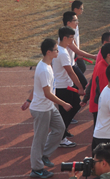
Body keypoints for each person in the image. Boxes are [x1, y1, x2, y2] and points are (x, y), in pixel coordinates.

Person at [22, 39, 69, 179]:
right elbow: (47, 94)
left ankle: (43, 156)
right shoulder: (44, 69)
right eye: (56, 49)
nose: (58, 51)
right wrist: (64, 103)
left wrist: (28, 100)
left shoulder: (48, 65)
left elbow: (37, 87)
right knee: (39, 139)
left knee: (60, 129)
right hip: (41, 109)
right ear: (49, 52)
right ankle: (36, 169)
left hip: (48, 107)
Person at [53, 27, 84, 148]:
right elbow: (71, 72)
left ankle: (62, 131)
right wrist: (80, 87)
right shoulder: (63, 53)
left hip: (65, 85)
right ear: (65, 38)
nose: (72, 40)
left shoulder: (59, 49)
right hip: (63, 87)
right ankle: (61, 137)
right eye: (71, 38)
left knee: (75, 105)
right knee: (67, 111)